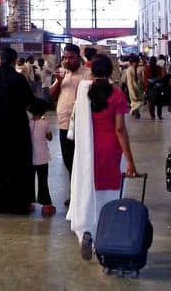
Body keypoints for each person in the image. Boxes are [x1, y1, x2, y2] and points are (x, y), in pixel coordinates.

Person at [67, 54, 138, 261]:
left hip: (87, 150)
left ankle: (86, 231)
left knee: (88, 187)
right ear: (110, 72)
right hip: (110, 150)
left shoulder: (84, 92)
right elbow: (119, 129)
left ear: (91, 71)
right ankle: (103, 237)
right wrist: (131, 161)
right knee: (109, 194)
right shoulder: (116, 95)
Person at [0, 47, 34, 214]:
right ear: (14, 61)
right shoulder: (19, 79)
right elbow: (30, 102)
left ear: (0, 60)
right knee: (18, 165)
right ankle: (19, 204)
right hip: (17, 129)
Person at [49, 43, 92, 183]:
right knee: (68, 159)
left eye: (71, 57)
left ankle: (81, 192)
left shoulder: (88, 74)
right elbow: (52, 95)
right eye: (65, 58)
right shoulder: (62, 73)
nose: (68, 61)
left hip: (81, 123)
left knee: (81, 159)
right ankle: (74, 191)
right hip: (64, 123)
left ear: (78, 58)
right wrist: (59, 81)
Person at [29, 97, 55, 216]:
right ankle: (46, 204)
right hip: (43, 158)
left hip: (30, 158)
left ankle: (29, 202)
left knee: (29, 180)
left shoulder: (28, 123)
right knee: (42, 181)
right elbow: (49, 137)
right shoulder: (45, 123)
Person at [122, 54, 144, 119]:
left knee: (138, 101)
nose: (137, 63)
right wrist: (131, 90)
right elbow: (129, 82)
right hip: (132, 88)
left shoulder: (140, 69)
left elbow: (142, 79)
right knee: (135, 101)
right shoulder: (129, 70)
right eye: (136, 62)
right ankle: (135, 112)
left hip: (139, 88)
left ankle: (134, 111)